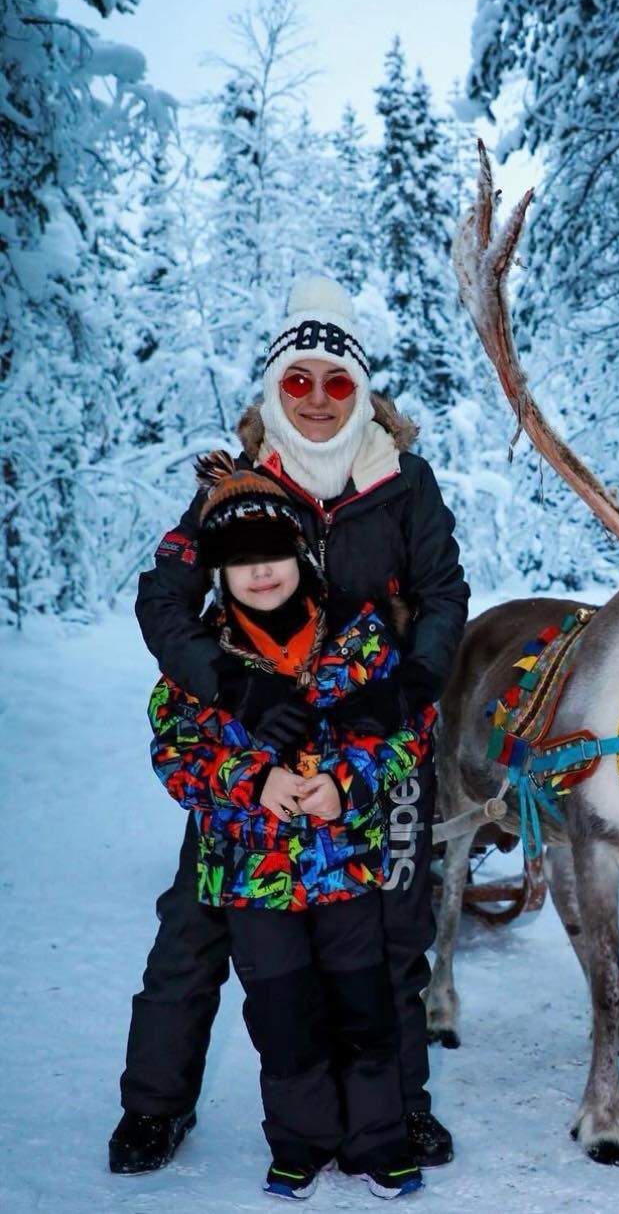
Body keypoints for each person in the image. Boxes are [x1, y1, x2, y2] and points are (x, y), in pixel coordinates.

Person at [110, 276, 469, 1174]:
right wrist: (230, 688)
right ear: (274, 387)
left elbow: (442, 592)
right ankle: (156, 1106)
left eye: (336, 382)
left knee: (391, 929)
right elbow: (165, 598)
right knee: (197, 924)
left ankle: (400, 1111)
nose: (316, 399)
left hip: (375, 745)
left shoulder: (403, 482)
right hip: (253, 754)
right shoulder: (236, 484)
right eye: (298, 381)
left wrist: (412, 685)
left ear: (363, 391)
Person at [151, 454, 430, 1198]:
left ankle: (379, 1140)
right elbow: (175, 756)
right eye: (240, 563)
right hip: (250, 879)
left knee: (365, 1008)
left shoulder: (360, 638)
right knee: (283, 1017)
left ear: (300, 554)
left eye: (273, 553)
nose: (262, 573)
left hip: (345, 868)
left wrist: (348, 784)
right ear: (218, 574)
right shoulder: (203, 661)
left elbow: (410, 732)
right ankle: (301, 1143)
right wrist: (254, 782)